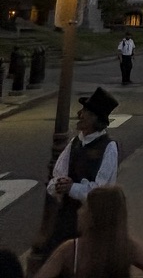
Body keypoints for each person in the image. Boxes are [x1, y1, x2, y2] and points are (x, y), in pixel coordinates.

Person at [41, 87, 119, 255]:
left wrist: (71, 188)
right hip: (67, 219)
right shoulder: (75, 142)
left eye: (86, 112)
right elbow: (58, 173)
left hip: (92, 223)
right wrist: (59, 185)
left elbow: (100, 191)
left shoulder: (108, 147)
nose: (80, 114)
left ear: (95, 118)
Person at [34, 186, 143, 278]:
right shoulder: (125, 247)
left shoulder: (71, 250)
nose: (79, 211)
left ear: (93, 217)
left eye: (85, 207)